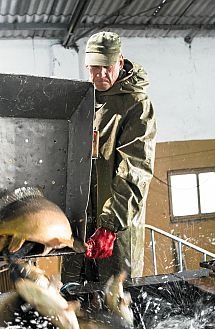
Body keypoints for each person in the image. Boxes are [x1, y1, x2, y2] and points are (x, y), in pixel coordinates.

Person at [62, 31, 156, 286]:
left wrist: (110, 225)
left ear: (120, 61)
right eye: (93, 68)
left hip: (115, 228)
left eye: (107, 67)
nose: (100, 75)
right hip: (80, 226)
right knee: (74, 299)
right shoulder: (84, 100)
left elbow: (134, 170)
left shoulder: (136, 104)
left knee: (116, 304)